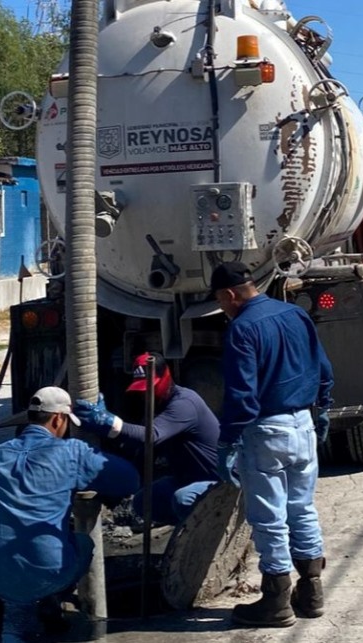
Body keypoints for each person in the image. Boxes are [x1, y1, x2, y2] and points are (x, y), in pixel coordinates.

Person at [210, 261, 334, 628]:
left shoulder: (242, 330)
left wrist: (228, 441)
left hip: (266, 431)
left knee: (269, 518)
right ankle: (311, 593)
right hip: (303, 425)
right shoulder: (295, 314)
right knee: (303, 508)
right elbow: (324, 369)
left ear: (231, 295)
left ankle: (277, 600)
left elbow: (242, 396)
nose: (223, 308)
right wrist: (323, 408)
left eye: (221, 301)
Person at [0, 386, 140, 642]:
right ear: (58, 419)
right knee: (83, 543)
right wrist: (105, 430)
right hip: (49, 574)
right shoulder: (72, 452)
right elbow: (130, 480)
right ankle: (53, 602)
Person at [73, 352, 220, 526]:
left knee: (183, 499)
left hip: (218, 482)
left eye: (152, 387)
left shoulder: (185, 403)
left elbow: (151, 436)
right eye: (143, 389)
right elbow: (140, 449)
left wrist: (109, 423)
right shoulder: (157, 407)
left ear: (166, 377)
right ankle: (187, 527)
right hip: (187, 479)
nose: (146, 393)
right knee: (145, 502)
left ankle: (198, 542)